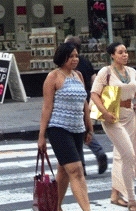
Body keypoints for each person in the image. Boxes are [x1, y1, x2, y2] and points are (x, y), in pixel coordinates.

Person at [91, 42, 136, 211]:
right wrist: (104, 112)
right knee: (128, 155)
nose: (125, 55)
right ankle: (132, 200)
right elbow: (94, 94)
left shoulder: (131, 71)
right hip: (112, 117)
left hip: (129, 115)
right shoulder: (106, 72)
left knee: (121, 156)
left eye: (126, 51)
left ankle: (115, 195)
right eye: (120, 52)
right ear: (112, 55)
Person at [37, 42, 94, 211]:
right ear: (62, 58)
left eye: (77, 56)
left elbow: (84, 102)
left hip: (77, 128)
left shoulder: (78, 76)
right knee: (76, 170)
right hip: (58, 128)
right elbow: (47, 107)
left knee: (64, 171)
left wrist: (89, 126)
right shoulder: (53, 77)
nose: (75, 59)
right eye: (71, 56)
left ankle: (55, 207)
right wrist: (42, 136)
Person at [65, 35, 108, 174]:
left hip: (74, 102)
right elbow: (94, 80)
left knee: (77, 133)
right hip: (87, 99)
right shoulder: (85, 62)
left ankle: (82, 165)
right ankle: (97, 153)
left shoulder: (68, 65)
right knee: (82, 131)